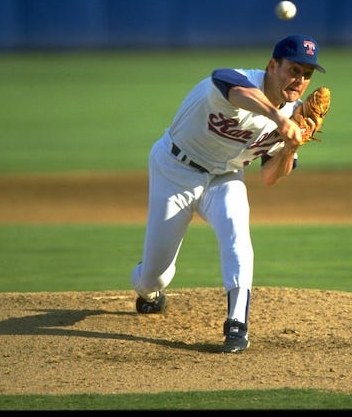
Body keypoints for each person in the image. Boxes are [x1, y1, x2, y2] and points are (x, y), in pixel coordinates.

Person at [130, 35, 326, 353]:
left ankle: (237, 325)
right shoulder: (240, 80)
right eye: (293, 69)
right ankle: (149, 291)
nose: (299, 80)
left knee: (237, 236)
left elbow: (269, 176)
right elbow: (226, 82)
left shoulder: (293, 117)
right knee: (154, 278)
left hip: (225, 178)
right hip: (174, 170)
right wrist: (278, 118)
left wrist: (290, 147)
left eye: (307, 74)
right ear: (272, 66)